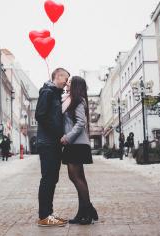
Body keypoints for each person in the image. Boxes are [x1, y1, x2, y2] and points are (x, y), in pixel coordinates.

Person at [35, 68, 70, 227]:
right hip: (48, 143)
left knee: (52, 179)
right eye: (66, 78)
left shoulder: (54, 93)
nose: (66, 82)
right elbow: (40, 115)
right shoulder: (47, 92)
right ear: (58, 76)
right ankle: (44, 216)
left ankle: (48, 214)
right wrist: (58, 135)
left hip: (52, 143)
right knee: (48, 179)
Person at [61, 76, 98, 225]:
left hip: (76, 143)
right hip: (74, 143)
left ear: (75, 85)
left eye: (69, 82)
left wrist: (68, 137)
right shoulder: (69, 100)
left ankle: (88, 210)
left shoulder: (78, 101)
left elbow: (81, 122)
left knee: (75, 177)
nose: (66, 83)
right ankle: (84, 211)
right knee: (78, 178)